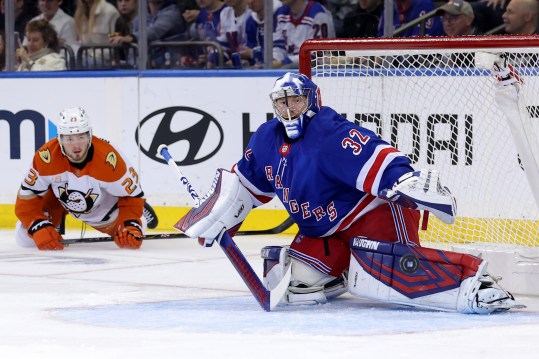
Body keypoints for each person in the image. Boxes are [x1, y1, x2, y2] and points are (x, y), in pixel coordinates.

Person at [176, 72, 522, 314]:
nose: (288, 110)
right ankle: (343, 271)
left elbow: (380, 158)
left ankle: (474, 283)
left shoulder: (328, 132)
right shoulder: (266, 138)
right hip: (325, 231)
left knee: (391, 275)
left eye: (294, 101)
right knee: (291, 285)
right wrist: (216, 217)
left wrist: (407, 182)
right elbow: (244, 187)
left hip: (372, 216)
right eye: (281, 104)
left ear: (311, 100)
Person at [15, 107, 147, 250]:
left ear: (89, 136)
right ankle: (53, 222)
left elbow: (132, 195)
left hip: (100, 210)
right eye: (69, 138)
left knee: (133, 234)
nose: (76, 145)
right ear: (60, 139)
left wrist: (131, 223)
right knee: (24, 239)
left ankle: (137, 213)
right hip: (58, 201)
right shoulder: (46, 157)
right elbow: (27, 196)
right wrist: (38, 225)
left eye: (81, 137)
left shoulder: (109, 160)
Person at [273, 0, 335, 69]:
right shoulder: (282, 12)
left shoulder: (319, 14)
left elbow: (318, 56)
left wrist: (284, 62)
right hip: (288, 70)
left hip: (318, 73)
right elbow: (278, 46)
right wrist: (274, 60)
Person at [376, 0, 443, 37]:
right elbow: (380, 39)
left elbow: (431, 36)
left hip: (421, 59)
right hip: (393, 58)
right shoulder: (388, 10)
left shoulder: (425, 5)